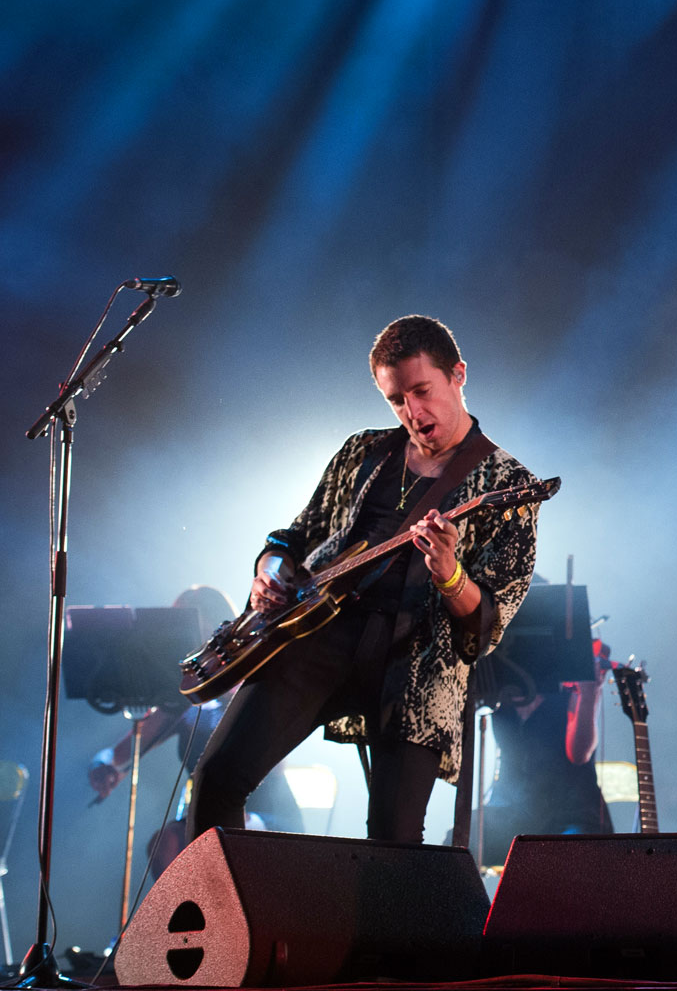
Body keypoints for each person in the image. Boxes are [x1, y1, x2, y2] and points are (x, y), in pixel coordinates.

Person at [186, 315, 540, 843]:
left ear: (458, 374)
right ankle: (215, 924)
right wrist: (269, 573)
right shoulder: (362, 452)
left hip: (417, 662)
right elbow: (292, 538)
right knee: (216, 779)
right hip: (314, 635)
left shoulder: (509, 484)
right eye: (396, 400)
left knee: (393, 837)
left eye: (422, 391)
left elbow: (486, 624)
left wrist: (448, 574)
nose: (413, 413)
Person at [87, 587, 302, 870]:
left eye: (184, 625)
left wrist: (223, 693)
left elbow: (272, 765)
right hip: (205, 819)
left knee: (204, 838)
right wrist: (103, 766)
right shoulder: (181, 702)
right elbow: (119, 754)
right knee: (167, 845)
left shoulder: (252, 686)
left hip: (263, 817)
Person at [475, 640, 614, 865]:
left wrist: (590, 692)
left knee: (571, 855)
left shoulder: (567, 695)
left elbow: (580, 754)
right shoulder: (501, 704)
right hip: (519, 813)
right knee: (460, 838)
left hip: (572, 813)